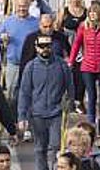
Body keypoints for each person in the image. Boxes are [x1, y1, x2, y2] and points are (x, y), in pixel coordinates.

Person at [17, 34, 72, 170]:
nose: (45, 49)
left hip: (56, 114)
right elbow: (24, 93)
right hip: (37, 115)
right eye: (42, 46)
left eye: (48, 45)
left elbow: (70, 88)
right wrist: (22, 116)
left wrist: (69, 105)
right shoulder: (30, 67)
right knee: (40, 148)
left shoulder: (62, 65)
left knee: (56, 146)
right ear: (36, 48)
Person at [68, 1, 100, 129]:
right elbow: (77, 44)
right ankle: (91, 122)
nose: (92, 15)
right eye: (90, 12)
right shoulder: (84, 27)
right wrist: (71, 61)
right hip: (87, 65)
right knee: (91, 94)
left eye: (95, 12)